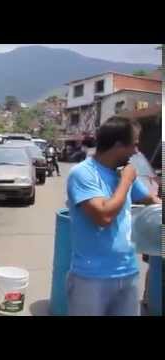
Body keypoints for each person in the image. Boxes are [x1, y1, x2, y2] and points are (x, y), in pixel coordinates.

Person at [66, 116, 161, 316]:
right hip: (91, 278)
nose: (137, 151)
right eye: (134, 145)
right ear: (118, 144)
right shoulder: (83, 173)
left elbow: (149, 199)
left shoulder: (120, 173)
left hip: (128, 272)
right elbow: (103, 217)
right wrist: (126, 181)